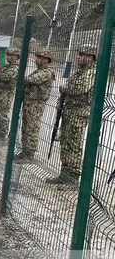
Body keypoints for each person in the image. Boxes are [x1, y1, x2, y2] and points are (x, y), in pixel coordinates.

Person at [46, 45, 97, 186]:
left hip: (79, 113)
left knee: (74, 144)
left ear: (90, 57)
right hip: (70, 110)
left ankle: (72, 179)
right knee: (65, 142)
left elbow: (78, 88)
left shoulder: (91, 72)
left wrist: (64, 89)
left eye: (81, 54)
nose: (77, 57)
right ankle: (65, 175)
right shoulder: (80, 72)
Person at [18, 49, 55, 161]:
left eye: (40, 57)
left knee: (32, 128)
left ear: (46, 60)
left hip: (36, 104)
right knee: (25, 127)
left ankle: (29, 154)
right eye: (37, 57)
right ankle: (25, 151)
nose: (36, 60)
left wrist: (23, 79)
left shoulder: (46, 72)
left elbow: (30, 80)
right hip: (30, 103)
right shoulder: (37, 71)